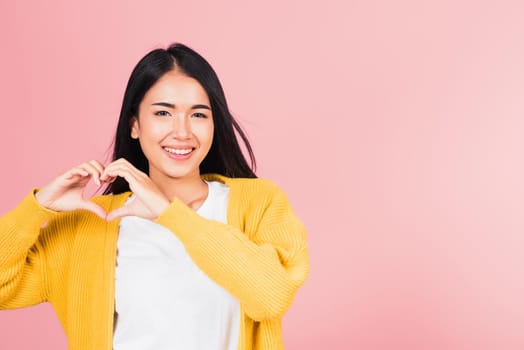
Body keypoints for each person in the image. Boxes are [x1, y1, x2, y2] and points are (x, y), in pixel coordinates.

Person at [0, 43, 309, 350]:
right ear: (134, 124)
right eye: (163, 112)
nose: (182, 132)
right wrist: (36, 208)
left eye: (198, 115)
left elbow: (270, 297)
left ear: (214, 124)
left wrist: (171, 214)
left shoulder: (259, 203)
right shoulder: (91, 223)